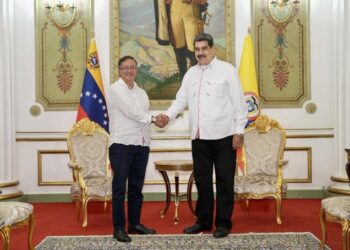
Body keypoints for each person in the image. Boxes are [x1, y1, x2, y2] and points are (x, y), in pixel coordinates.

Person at [157, 33, 248, 238]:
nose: (200, 53)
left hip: (225, 136)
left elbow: (239, 103)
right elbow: (180, 100)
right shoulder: (190, 74)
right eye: (197, 49)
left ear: (212, 49)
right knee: (202, 180)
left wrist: (239, 131)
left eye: (204, 48)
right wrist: (167, 115)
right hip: (199, 137)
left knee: (225, 181)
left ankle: (223, 223)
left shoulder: (227, 70)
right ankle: (204, 221)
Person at [108, 55, 161, 243]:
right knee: (120, 188)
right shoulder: (115, 89)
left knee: (137, 188)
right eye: (125, 68)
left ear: (137, 70)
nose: (130, 70)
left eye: (133, 67)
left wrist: (153, 124)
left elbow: (143, 116)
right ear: (119, 71)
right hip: (121, 144)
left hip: (141, 144)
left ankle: (135, 224)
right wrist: (155, 119)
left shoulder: (142, 93)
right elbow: (133, 112)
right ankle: (119, 228)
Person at [154, 0, 208, 79]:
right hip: (174, 10)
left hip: (191, 9)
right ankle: (184, 80)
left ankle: (194, 79)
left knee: (195, 46)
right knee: (178, 46)